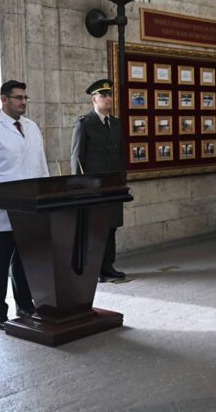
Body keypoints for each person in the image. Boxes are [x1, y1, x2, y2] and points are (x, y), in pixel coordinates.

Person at [0, 80, 49, 329]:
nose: (23, 102)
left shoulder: (32, 127)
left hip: (29, 206)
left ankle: (25, 305)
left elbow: (41, 165)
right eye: (18, 98)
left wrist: (46, 198)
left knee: (26, 260)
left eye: (26, 97)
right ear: (3, 99)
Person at [70, 79, 127, 282]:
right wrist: (79, 187)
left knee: (110, 226)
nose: (109, 98)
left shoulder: (116, 123)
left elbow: (121, 156)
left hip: (112, 185)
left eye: (110, 95)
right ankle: (93, 268)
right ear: (94, 100)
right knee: (94, 229)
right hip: (93, 187)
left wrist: (122, 181)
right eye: (104, 95)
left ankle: (107, 266)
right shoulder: (84, 124)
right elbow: (77, 158)